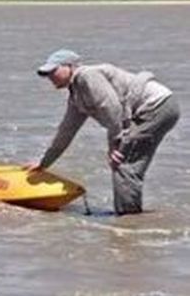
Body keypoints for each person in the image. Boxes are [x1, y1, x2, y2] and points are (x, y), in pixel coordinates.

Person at [30, 49, 179, 214]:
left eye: (53, 70)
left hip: (156, 107)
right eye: (47, 73)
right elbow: (66, 132)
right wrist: (43, 163)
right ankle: (132, 218)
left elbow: (112, 109)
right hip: (157, 108)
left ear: (70, 67)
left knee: (123, 163)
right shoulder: (76, 97)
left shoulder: (87, 76)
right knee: (126, 163)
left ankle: (128, 223)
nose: (49, 76)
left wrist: (114, 145)